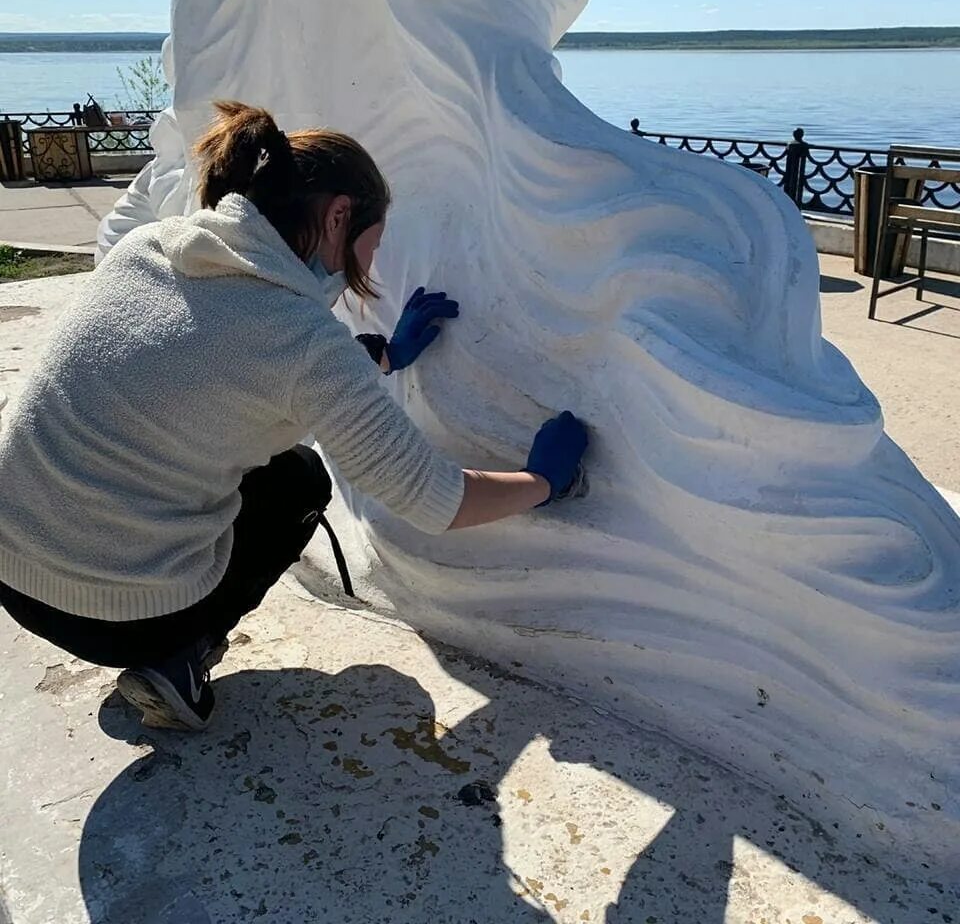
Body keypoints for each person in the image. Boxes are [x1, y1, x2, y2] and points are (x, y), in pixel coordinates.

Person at [0, 102, 588, 732]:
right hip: (115, 618)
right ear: (340, 215)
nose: (368, 261)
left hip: (13, 574)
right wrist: (543, 480)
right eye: (373, 240)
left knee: (263, 455)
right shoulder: (303, 342)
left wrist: (380, 358)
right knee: (298, 481)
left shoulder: (150, 248)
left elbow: (216, 366)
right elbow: (435, 499)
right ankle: (176, 657)